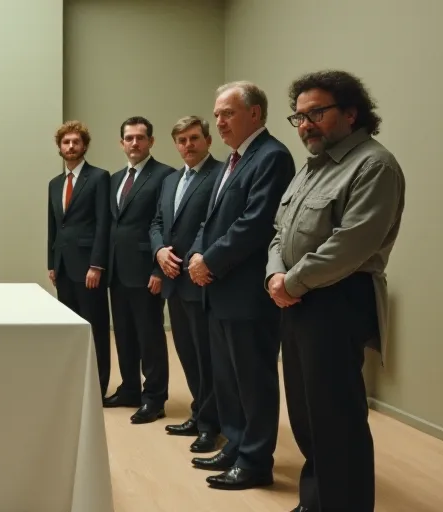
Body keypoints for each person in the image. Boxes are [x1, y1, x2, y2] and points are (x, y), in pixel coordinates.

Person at [267, 70, 405, 512]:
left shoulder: (373, 164)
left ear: (350, 113)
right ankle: (315, 502)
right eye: (300, 116)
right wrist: (275, 275)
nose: (306, 124)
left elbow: (351, 244)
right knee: (307, 418)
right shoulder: (312, 168)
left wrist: (289, 282)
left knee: (337, 420)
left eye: (316, 113)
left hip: (339, 302)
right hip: (297, 301)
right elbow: (278, 231)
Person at [186, 81, 295, 490]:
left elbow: (254, 224)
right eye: (216, 114)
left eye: (227, 113)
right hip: (218, 289)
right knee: (228, 378)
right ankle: (235, 443)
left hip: (247, 292)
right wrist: (198, 256)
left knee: (253, 379)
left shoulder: (272, 157)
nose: (219, 121)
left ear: (254, 114)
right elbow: (208, 220)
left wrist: (208, 262)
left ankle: (255, 462)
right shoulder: (232, 160)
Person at [148, 116, 222, 453]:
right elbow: (158, 223)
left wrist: (193, 256)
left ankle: (211, 424)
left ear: (207, 139)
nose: (187, 146)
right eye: (181, 140)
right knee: (187, 354)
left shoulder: (219, 175)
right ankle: (198, 412)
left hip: (199, 278)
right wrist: (160, 251)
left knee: (207, 356)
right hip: (173, 280)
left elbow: (212, 224)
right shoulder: (170, 180)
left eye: (194, 138)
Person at [104, 116, 176, 425]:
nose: (135, 143)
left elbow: (166, 224)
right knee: (123, 334)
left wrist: (158, 270)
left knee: (150, 335)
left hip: (147, 270)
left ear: (151, 141)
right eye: (129, 138)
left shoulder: (165, 176)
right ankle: (130, 388)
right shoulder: (116, 178)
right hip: (117, 271)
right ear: (121, 143)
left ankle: (154, 397)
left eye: (140, 137)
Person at [46, 120, 112, 398]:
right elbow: (53, 225)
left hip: (88, 267)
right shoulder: (55, 183)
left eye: (75, 142)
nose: (70, 146)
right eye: (66, 142)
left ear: (84, 145)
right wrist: (51, 262)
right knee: (70, 329)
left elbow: (102, 224)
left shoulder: (99, 177)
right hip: (63, 267)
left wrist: (96, 264)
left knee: (94, 327)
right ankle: (75, 383)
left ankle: (98, 386)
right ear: (59, 147)